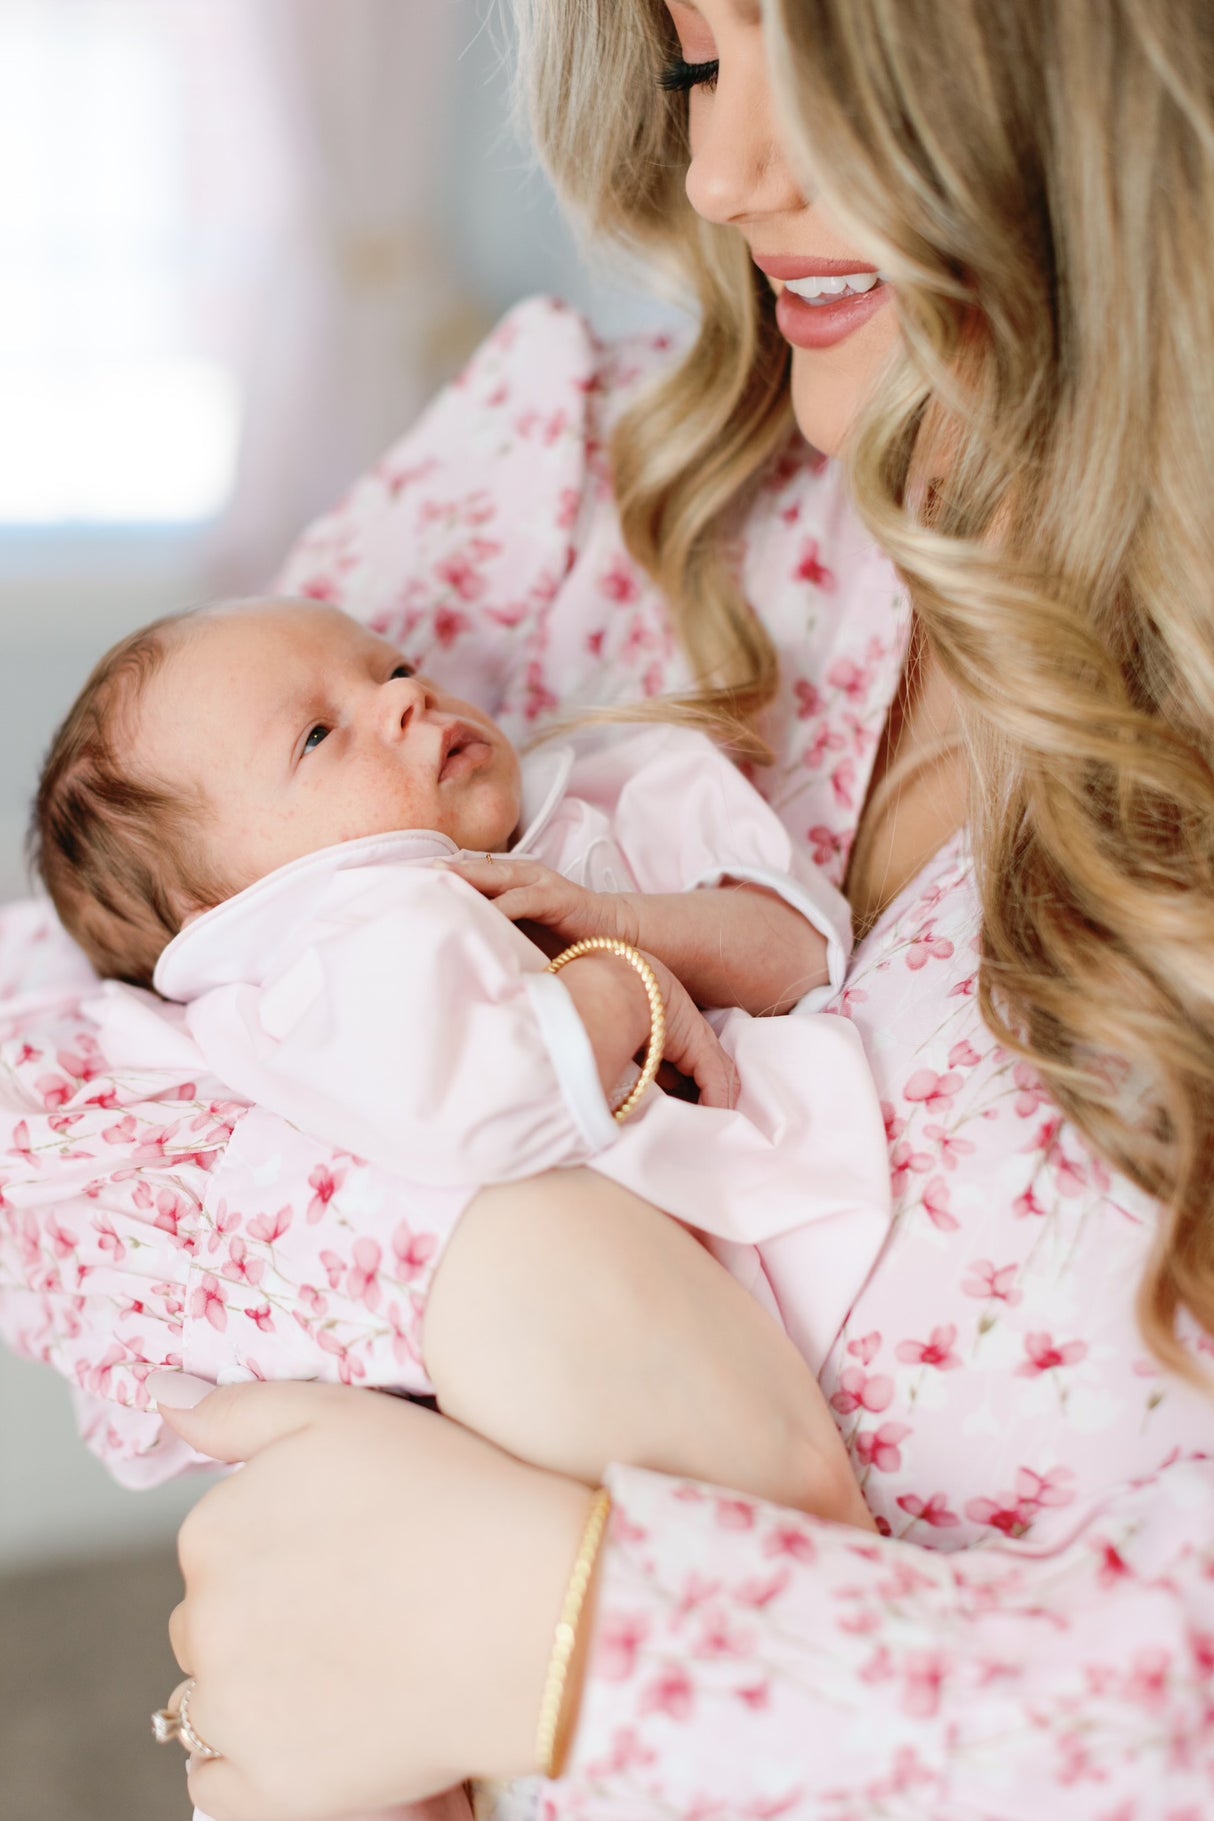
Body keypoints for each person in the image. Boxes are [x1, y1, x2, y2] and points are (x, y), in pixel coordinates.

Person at [2, 0, 1212, 1815]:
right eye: (691, 63)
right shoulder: (583, 470)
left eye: (807, 66)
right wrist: (497, 1264)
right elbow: (59, 1061)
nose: (718, 175)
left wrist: (551, 1637)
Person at [29, 589, 890, 1501]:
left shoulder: (615, 783)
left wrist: (625, 921)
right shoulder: (323, 966)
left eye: (392, 667)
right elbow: (483, 1102)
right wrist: (615, 988)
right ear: (232, 914)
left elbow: (802, 953)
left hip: (788, 1255)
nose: (405, 699)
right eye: (318, 736)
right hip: (615, 1371)